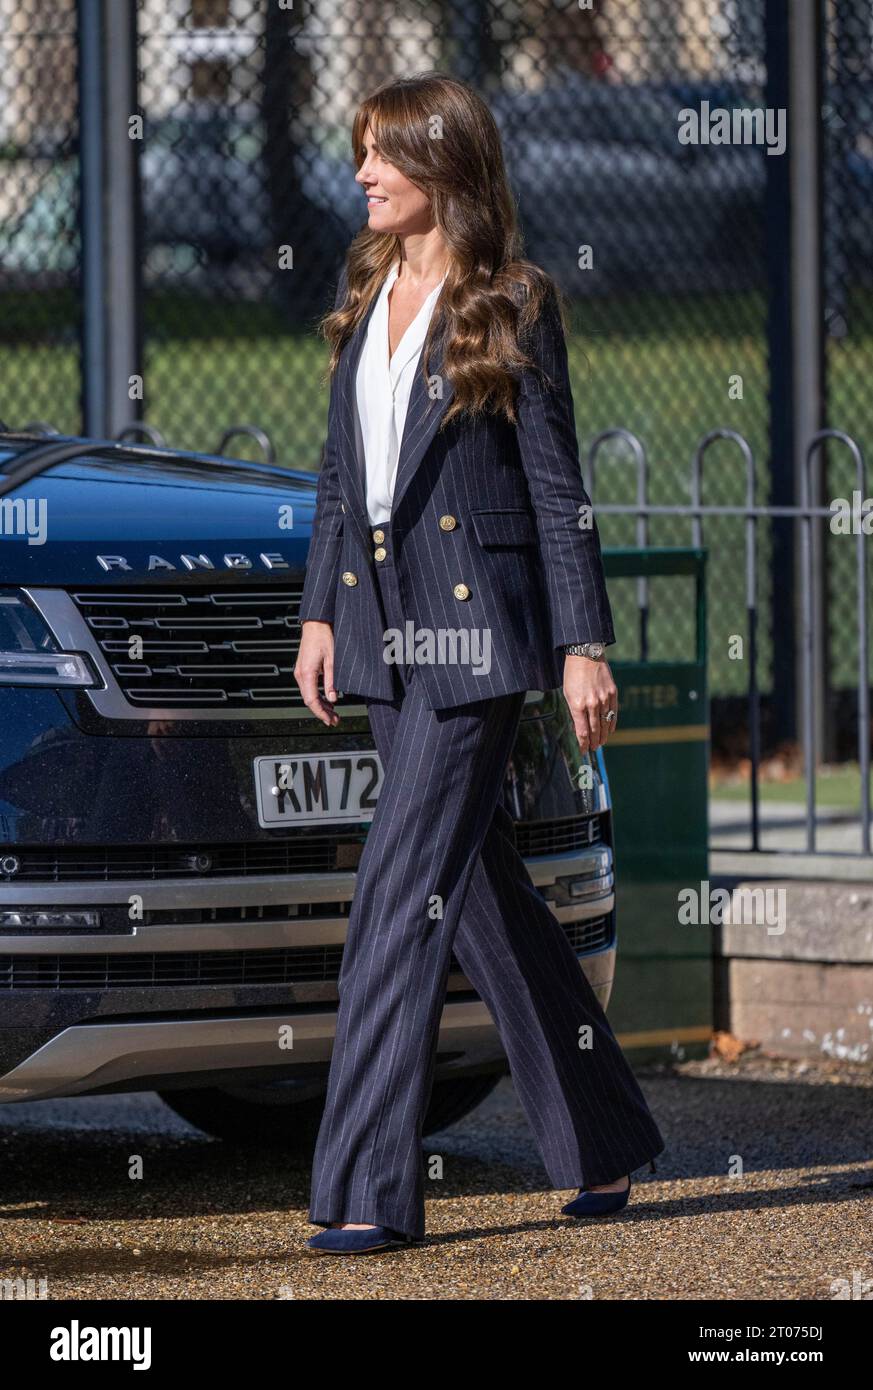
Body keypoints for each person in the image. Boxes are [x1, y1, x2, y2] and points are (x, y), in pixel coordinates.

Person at [293, 71, 666, 1254]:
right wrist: (317, 616)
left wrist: (582, 644)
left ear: (442, 166)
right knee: (484, 903)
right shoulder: (365, 284)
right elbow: (339, 480)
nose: (361, 176)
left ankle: (364, 1187)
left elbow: (559, 492)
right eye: (360, 155)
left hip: (475, 641)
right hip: (379, 632)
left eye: (380, 157)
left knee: (399, 902)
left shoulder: (514, 300)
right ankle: (600, 1138)